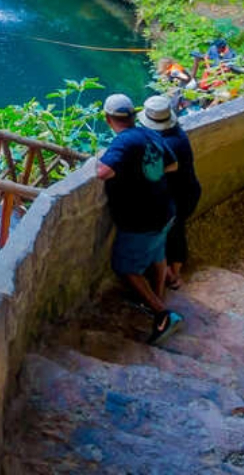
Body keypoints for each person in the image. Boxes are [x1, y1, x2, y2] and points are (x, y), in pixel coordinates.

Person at [95, 93, 182, 345]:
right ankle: (158, 300)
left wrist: (105, 162)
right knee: (157, 255)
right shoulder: (150, 134)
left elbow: (102, 172)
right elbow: (172, 165)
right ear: (134, 116)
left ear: (107, 118)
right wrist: (144, 174)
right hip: (165, 210)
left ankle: (162, 313)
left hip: (141, 220)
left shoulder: (123, 142)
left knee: (125, 267)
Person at [138, 94, 201, 291]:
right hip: (190, 190)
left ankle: (172, 275)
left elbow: (151, 173)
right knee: (177, 230)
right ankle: (176, 270)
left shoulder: (164, 145)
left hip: (175, 197)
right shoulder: (178, 135)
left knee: (170, 232)